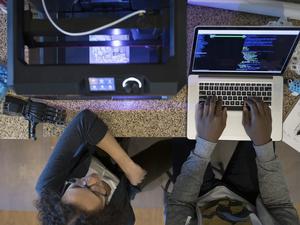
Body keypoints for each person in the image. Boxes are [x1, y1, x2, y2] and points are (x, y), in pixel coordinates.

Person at [166, 96, 300, 225]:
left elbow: (181, 203)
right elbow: (279, 205)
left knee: (184, 116)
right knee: (261, 115)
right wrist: (263, 145)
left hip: (197, 201)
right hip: (248, 200)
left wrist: (204, 145)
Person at [35, 109, 172, 225]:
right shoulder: (122, 219)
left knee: (122, 114)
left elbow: (85, 121)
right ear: (105, 212)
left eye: (78, 184)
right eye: (95, 191)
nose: (92, 179)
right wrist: (129, 183)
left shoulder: (48, 188)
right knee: (175, 150)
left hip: (97, 152)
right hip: (124, 186)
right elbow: (125, 208)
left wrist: (127, 165)